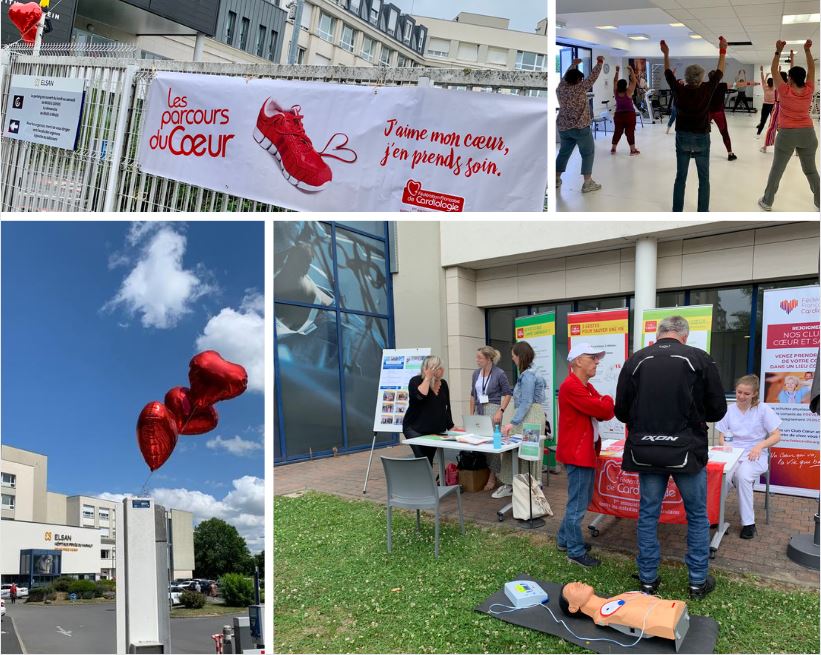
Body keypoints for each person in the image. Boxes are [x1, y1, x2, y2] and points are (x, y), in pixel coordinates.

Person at [615, 316, 727, 600]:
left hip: (647, 451)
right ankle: (697, 581)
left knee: (648, 514)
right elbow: (717, 409)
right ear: (684, 335)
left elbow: (622, 411)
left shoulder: (636, 360)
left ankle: (648, 579)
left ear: (658, 333)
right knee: (697, 515)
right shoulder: (699, 358)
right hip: (687, 451)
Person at [556, 343, 615, 567]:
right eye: (593, 357)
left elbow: (605, 412)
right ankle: (575, 550)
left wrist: (603, 402)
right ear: (578, 361)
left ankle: (565, 540)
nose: (597, 361)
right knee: (578, 504)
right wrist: (605, 400)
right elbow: (603, 409)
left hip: (582, 452)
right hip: (578, 454)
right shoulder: (572, 386)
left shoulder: (584, 386)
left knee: (578, 501)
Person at [662, 36, 728, 212]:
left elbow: (667, 73)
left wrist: (666, 54)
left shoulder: (678, 89)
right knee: (704, 179)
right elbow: (719, 72)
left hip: (682, 137)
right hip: (701, 138)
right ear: (700, 78)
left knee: (680, 177)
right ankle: (702, 212)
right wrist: (722, 50)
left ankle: (677, 211)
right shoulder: (707, 89)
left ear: (686, 77)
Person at [716, 375, 781, 539]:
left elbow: (776, 435)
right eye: (739, 392)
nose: (741, 396)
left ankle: (748, 523)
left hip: (755, 454)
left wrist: (759, 446)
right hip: (733, 454)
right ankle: (715, 516)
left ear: (754, 393)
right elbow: (722, 436)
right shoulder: (729, 410)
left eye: (746, 393)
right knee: (722, 477)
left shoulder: (763, 409)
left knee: (743, 476)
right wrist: (725, 445)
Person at [759, 40, 819, 211]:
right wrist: (807, 51)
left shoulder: (785, 90)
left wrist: (778, 51)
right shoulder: (809, 89)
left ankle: (767, 202)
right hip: (808, 134)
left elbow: (773, 70)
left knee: (777, 170)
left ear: (790, 78)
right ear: (803, 78)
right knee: (811, 171)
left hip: (787, 135)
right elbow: (812, 69)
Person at [492, 342, 546, 499]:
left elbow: (526, 401)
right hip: (531, 417)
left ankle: (520, 487)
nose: (513, 359)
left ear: (520, 356)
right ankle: (525, 486)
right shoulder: (533, 373)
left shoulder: (528, 375)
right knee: (525, 453)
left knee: (521, 452)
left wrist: (513, 422)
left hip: (528, 418)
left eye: (513, 356)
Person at [559, 582, 688, 642]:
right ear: (573, 608)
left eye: (576, 582)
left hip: (673, 609)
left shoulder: (617, 599)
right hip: (669, 620)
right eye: (572, 588)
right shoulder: (605, 616)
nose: (578, 583)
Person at [556, 56, 604, 193]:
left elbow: (566, 77)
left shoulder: (560, 88)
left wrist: (573, 64)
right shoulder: (580, 88)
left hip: (563, 128)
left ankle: (556, 179)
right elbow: (593, 77)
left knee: (563, 153)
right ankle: (587, 183)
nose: (582, 81)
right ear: (578, 80)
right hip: (580, 127)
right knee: (588, 153)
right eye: (580, 79)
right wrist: (600, 63)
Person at [469, 346, 512, 492]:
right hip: (479, 409)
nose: (477, 360)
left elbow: (508, 394)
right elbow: (472, 395)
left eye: (480, 358)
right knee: (479, 441)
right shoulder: (476, 373)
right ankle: (485, 472)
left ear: (488, 359)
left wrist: (501, 410)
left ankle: (493, 476)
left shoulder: (499, 373)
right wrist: (471, 414)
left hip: (493, 410)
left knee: (493, 443)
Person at [402, 355, 454, 466]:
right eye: (439, 368)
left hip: (434, 430)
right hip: (415, 428)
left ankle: (426, 477)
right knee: (423, 459)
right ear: (430, 369)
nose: (442, 370)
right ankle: (422, 477)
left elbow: (446, 407)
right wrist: (427, 378)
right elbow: (420, 396)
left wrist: (451, 426)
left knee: (428, 459)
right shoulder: (415, 381)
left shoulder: (443, 384)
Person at [761, 50, 793, 153]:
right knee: (789, 128)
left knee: (772, 127)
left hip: (779, 107)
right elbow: (790, 72)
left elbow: (775, 70)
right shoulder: (788, 85)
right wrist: (792, 58)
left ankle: (765, 147)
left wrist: (780, 55)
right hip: (785, 107)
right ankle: (795, 149)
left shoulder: (778, 85)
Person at [707, 73, 737, 161]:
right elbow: (736, 84)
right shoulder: (722, 85)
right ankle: (730, 154)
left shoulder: (706, 85)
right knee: (724, 132)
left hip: (708, 113)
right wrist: (750, 83)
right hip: (719, 113)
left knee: (701, 131)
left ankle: (695, 151)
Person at [611, 65, 640, 155]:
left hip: (618, 115)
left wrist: (617, 71)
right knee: (630, 132)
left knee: (617, 131)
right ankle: (632, 150)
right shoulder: (628, 91)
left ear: (618, 85)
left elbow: (614, 81)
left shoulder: (616, 92)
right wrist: (631, 70)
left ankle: (613, 149)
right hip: (629, 115)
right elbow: (634, 81)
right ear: (625, 85)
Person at [756, 66, 776, 137]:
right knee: (766, 120)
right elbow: (763, 79)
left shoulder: (766, 87)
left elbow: (763, 79)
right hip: (770, 105)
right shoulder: (774, 87)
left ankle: (759, 134)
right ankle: (759, 133)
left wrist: (762, 71)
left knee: (766, 120)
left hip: (768, 105)